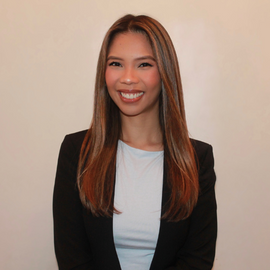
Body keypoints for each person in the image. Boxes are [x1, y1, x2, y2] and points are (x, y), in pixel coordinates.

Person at [53, 14, 217, 270]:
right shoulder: (77, 152)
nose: (127, 78)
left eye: (144, 65)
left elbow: (197, 259)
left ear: (165, 73)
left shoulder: (197, 158)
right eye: (116, 63)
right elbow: (72, 258)